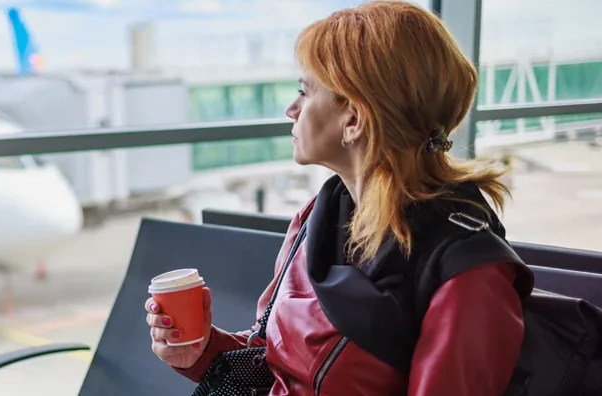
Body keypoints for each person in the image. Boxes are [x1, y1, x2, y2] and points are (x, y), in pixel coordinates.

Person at [145, 1, 527, 395]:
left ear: (354, 120)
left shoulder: (466, 270)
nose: (290, 109)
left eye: (304, 92)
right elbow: (272, 362)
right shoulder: (317, 219)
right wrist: (202, 352)